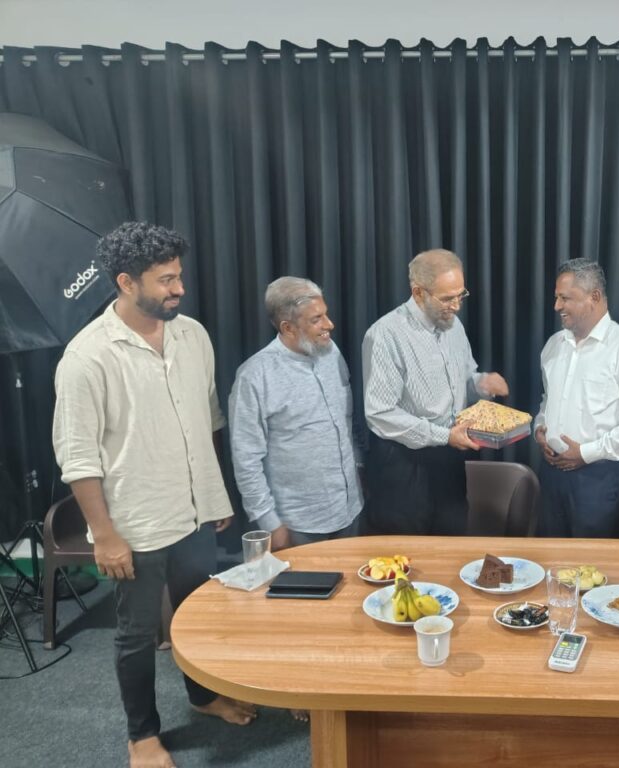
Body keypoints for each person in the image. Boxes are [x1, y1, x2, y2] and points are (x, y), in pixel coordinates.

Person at [52, 222, 255, 768]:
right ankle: (141, 735)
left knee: (195, 616)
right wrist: (105, 536)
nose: (178, 288)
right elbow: (78, 458)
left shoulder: (193, 336)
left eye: (178, 276)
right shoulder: (86, 357)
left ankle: (203, 697)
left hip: (194, 512)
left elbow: (207, 420)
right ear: (125, 281)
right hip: (134, 524)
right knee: (138, 634)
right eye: (165, 280)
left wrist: (214, 495)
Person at [362, 248, 508, 535]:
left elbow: (464, 379)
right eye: (447, 298)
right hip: (404, 465)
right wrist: (444, 436)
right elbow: (380, 413)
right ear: (418, 292)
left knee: (453, 542)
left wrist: (481, 384)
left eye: (461, 295)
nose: (457, 306)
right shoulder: (384, 335)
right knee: (408, 553)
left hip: (450, 459)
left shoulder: (454, 326)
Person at [229, 277, 363, 552]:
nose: (329, 325)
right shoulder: (255, 376)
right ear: (287, 327)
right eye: (316, 319)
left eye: (326, 314)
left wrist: (358, 469)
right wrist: (270, 523)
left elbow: (346, 420)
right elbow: (246, 458)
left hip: (350, 510)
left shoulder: (331, 353)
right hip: (297, 525)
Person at [534, 259, 619, 537]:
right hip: (550, 475)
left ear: (595, 297)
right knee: (549, 557)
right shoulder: (554, 345)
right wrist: (540, 427)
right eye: (557, 297)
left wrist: (586, 453)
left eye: (565, 298)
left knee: (590, 561)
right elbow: (548, 399)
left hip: (597, 481)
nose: (556, 306)